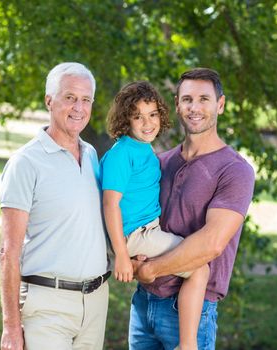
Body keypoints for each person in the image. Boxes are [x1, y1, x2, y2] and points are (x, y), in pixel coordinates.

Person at [130, 68, 255, 349]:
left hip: (191, 313)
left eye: (203, 99)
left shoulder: (234, 171)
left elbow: (212, 243)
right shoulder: (159, 163)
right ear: (176, 104)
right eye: (187, 99)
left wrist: (151, 269)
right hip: (142, 305)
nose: (194, 108)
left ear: (220, 105)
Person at [0, 62, 110, 350]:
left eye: (86, 100)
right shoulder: (25, 163)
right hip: (47, 305)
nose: (79, 107)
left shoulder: (91, 155)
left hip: (96, 303)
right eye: (70, 97)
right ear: (49, 100)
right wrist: (11, 327)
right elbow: (8, 252)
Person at [100, 81, 210, 350]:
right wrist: (123, 256)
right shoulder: (122, 153)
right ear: (126, 120)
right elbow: (110, 205)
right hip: (134, 234)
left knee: (192, 261)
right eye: (138, 116)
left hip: (144, 231)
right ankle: (187, 344)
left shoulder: (144, 150)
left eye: (152, 114)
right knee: (199, 267)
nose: (147, 123)